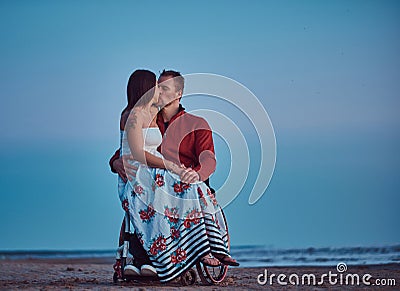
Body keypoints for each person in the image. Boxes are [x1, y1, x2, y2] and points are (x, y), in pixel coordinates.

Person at [111, 69, 239, 282]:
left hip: (184, 180)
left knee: (185, 191)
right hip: (154, 180)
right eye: (157, 87)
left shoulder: (196, 123)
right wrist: (115, 163)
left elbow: (209, 159)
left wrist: (196, 174)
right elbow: (124, 150)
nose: (158, 93)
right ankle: (155, 258)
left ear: (178, 93)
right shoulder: (148, 116)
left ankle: (209, 247)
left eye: (164, 89)